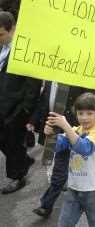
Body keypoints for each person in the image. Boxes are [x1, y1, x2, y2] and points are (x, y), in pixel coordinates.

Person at [30, 81, 95, 217]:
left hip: (74, 130)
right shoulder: (50, 78)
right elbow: (43, 101)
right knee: (59, 168)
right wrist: (34, 121)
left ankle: (51, 204)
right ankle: (48, 204)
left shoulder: (80, 78)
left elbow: (91, 102)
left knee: (70, 169)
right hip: (53, 127)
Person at [45, 92, 95, 227]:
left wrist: (65, 126)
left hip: (94, 190)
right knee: (64, 224)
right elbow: (57, 146)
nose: (84, 118)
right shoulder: (74, 130)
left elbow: (84, 148)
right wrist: (50, 134)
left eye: (89, 113)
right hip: (73, 188)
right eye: (80, 113)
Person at [0, 11, 41, 194]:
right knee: (4, 141)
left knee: (14, 142)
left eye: (0, 34)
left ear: (12, 30)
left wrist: (25, 110)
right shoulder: (2, 48)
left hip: (16, 109)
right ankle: (24, 160)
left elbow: (33, 83)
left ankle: (18, 177)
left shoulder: (25, 50)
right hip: (2, 105)